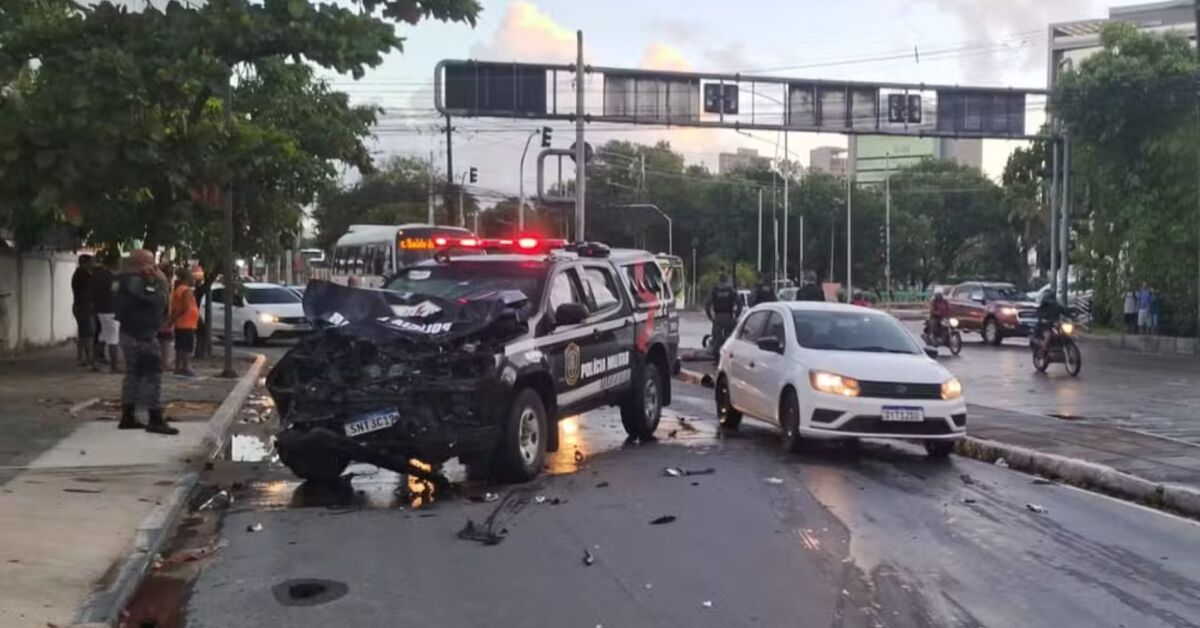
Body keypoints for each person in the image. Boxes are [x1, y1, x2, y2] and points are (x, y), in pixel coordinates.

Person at [114, 250, 178, 435]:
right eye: (151, 262)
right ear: (141, 263)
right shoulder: (136, 281)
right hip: (141, 335)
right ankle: (155, 418)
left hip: (129, 332)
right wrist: (163, 282)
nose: (154, 267)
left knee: (133, 374)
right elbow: (157, 301)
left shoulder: (122, 279)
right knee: (152, 375)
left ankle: (128, 415)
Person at [89, 250, 121, 373]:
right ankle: (115, 366)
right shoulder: (113, 278)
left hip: (100, 309)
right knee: (113, 338)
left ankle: (94, 361)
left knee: (103, 335)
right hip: (111, 309)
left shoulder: (96, 275)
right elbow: (115, 292)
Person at [169, 268, 200, 377]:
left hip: (182, 323)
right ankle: (185, 367)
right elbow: (185, 306)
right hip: (187, 323)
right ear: (187, 278)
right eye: (191, 276)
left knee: (180, 346)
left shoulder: (179, 289)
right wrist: (173, 318)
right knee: (186, 347)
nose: (193, 279)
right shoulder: (186, 290)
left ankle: (178, 367)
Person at [705, 271, 741, 361]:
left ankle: (717, 359)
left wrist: (710, 317)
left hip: (718, 316)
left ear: (719, 279)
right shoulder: (731, 290)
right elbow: (739, 304)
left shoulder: (715, 289)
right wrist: (735, 316)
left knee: (716, 339)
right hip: (728, 316)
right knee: (729, 339)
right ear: (726, 279)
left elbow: (707, 304)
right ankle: (727, 359)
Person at [71, 254, 95, 366]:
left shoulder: (80, 274)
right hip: (83, 306)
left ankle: (81, 356)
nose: (93, 264)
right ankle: (88, 357)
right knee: (88, 332)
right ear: (85, 263)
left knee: (83, 332)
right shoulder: (83, 275)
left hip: (80, 306)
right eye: (91, 262)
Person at [1035, 291, 1065, 356]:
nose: (1052, 300)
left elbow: (1064, 311)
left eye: (1052, 298)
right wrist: (1043, 319)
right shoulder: (1043, 307)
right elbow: (1039, 314)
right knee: (1048, 335)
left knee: (1066, 333)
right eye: (1050, 298)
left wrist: (1072, 317)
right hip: (1045, 327)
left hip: (1055, 325)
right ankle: (1043, 351)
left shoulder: (1057, 306)